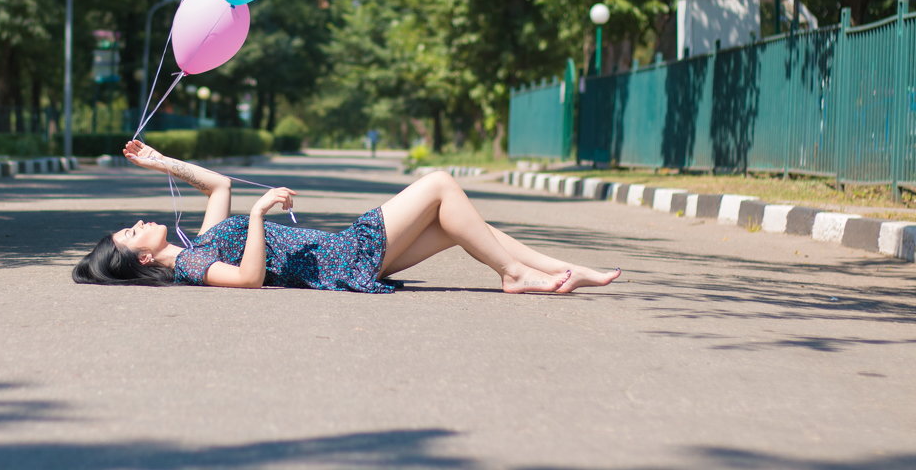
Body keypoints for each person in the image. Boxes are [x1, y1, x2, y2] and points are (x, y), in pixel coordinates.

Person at [73, 140, 621, 294]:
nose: (139, 221)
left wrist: (158, 161)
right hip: (343, 256)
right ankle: (515, 275)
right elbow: (248, 278)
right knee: (439, 185)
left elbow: (216, 184)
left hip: (345, 256)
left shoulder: (204, 239)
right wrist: (260, 214)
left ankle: (561, 270)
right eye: (130, 232)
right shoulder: (191, 267)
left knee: (464, 225)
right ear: (142, 257)